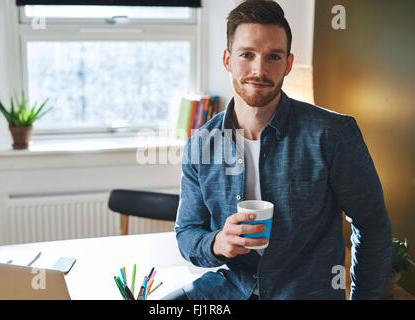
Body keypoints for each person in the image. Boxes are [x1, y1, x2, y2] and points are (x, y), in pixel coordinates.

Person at [164, 0, 392, 300]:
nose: (259, 70)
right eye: (247, 54)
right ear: (227, 59)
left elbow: (372, 225)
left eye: (273, 56)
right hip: (229, 289)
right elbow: (187, 234)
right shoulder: (201, 144)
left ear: (287, 63)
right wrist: (218, 242)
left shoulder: (334, 134)